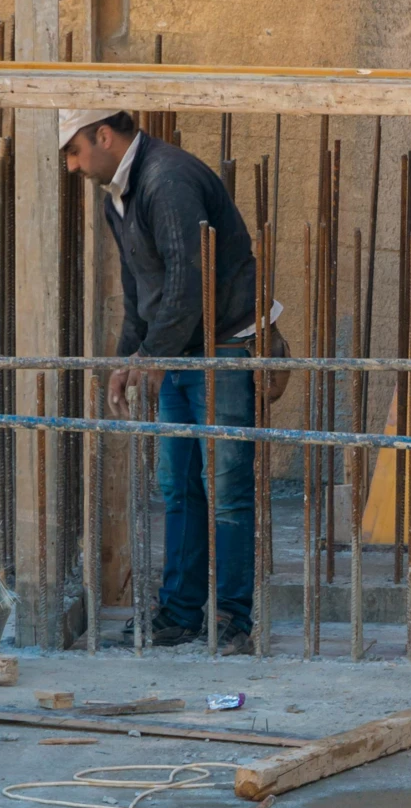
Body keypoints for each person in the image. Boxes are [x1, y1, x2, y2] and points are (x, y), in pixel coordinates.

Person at [60, 109, 262, 652]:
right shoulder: (119, 198)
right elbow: (140, 292)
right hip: (179, 353)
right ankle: (180, 612)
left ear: (104, 135)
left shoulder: (165, 180)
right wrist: (127, 358)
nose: (75, 166)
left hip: (219, 349)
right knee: (179, 487)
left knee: (226, 490)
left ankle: (235, 620)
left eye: (76, 151)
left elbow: (187, 279)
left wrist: (151, 355)